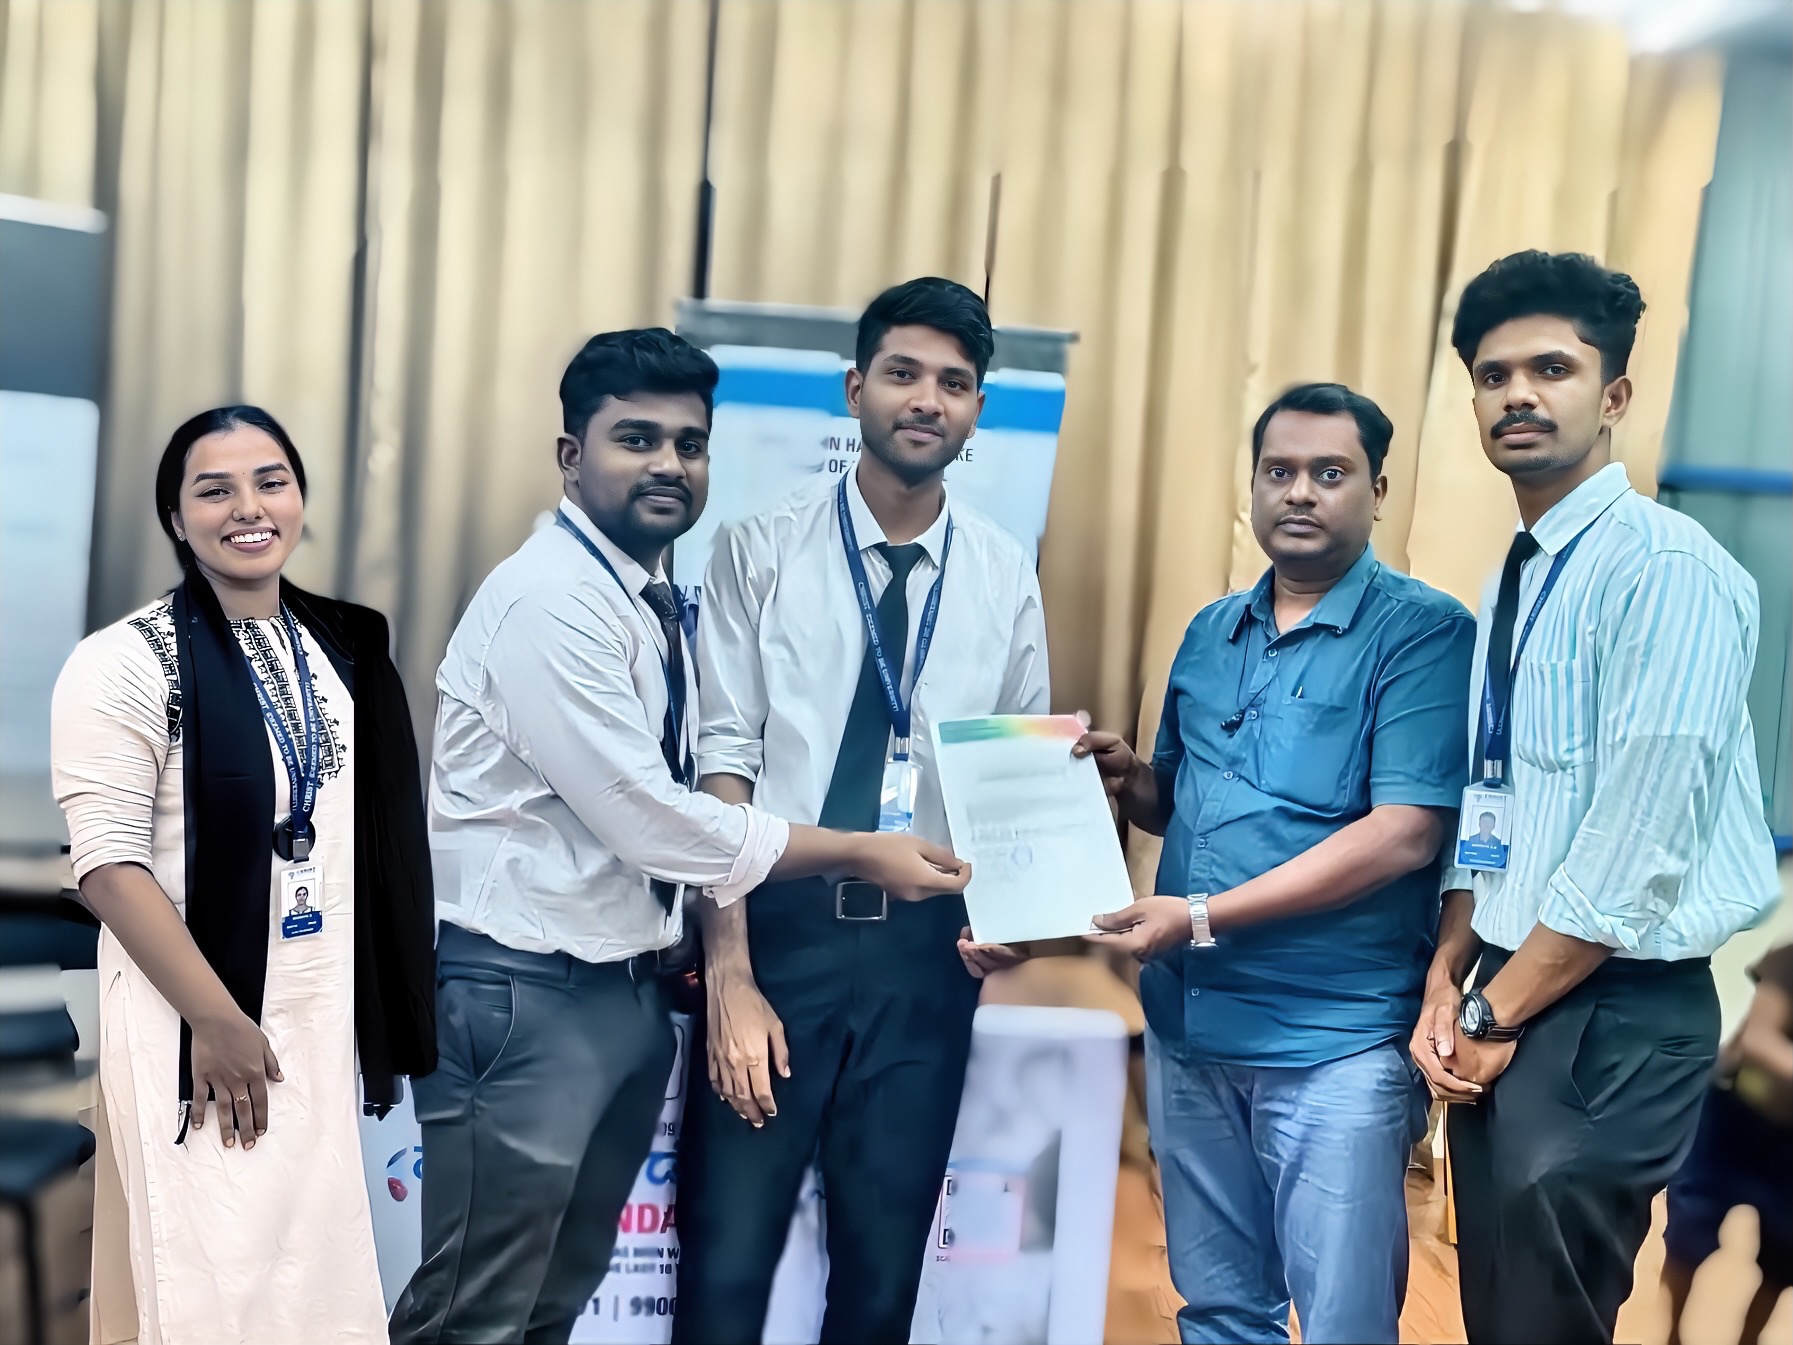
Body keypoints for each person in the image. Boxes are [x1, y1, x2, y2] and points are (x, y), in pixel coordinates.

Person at [386, 328, 971, 1345]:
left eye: (688, 444)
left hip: (618, 987)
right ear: (572, 455)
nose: (667, 465)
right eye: (635, 439)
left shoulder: (645, 597)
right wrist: (846, 848)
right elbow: (649, 817)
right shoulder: (549, 601)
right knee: (474, 1317)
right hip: (522, 993)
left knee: (547, 1304)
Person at [1409, 251, 1781, 1345]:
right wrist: (1447, 967)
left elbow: (1637, 838)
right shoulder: (1520, 570)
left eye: (1550, 368)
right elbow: (1501, 803)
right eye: (1491, 375)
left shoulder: (1665, 570)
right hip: (1515, 983)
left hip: (1611, 1008)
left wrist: (1489, 1008)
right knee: (1504, 1313)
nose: (1516, 393)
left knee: (1540, 1323)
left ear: (1611, 396)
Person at [672, 277, 1050, 1345]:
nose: (926, 398)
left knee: (879, 1290)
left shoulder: (1000, 574)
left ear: (975, 410)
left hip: (922, 963)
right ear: (853, 388)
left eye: (954, 382)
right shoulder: (757, 550)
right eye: (902, 373)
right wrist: (731, 973)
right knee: (723, 1275)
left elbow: (1012, 768)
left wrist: (1013, 916)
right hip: (776, 939)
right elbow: (722, 767)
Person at [1075, 382, 1476, 1344]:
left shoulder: (1424, 632)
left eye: (1328, 473)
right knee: (1217, 1310)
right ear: (1252, 488)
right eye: (1278, 472)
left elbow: (1405, 832)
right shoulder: (1210, 631)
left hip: (1330, 1043)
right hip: (1189, 1029)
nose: (1299, 492)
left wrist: (1201, 916)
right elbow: (1172, 800)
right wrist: (1128, 777)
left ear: (1378, 490)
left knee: (1342, 1323)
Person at [50, 406, 437, 1344]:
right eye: (213, 489)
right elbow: (107, 866)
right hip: (196, 1016)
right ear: (177, 519)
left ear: (298, 498)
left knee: (317, 1284)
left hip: (321, 1011)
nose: (248, 507)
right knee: (214, 1284)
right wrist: (218, 1020)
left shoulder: (339, 648)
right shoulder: (123, 661)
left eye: (270, 481)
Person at [1662, 944, 1793, 1345]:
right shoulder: (1789, 959)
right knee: (1687, 1237)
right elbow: (1759, 1039)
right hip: (1733, 1116)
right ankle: (1672, 1334)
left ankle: (1749, 1340)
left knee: (1784, 1261)